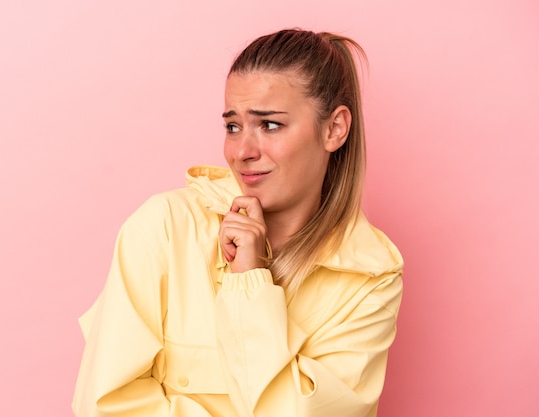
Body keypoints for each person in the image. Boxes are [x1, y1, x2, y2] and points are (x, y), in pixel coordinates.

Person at [72, 29, 403, 417]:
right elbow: (104, 405)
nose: (242, 151)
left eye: (270, 125)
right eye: (233, 126)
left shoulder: (370, 276)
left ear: (334, 129)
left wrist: (249, 281)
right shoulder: (164, 228)